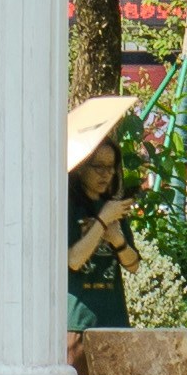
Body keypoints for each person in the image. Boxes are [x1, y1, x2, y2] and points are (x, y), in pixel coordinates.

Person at [65, 90, 142, 342]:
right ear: (81, 167)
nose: (105, 174)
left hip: (114, 322)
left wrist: (118, 240)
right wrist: (100, 222)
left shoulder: (112, 207)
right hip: (77, 323)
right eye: (98, 167)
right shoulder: (68, 207)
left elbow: (133, 265)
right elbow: (73, 260)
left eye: (111, 168)